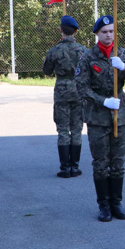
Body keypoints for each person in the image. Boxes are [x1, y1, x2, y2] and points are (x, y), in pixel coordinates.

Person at [75, 15, 125, 222]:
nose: (108, 35)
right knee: (100, 163)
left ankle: (116, 202)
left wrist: (124, 67)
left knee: (118, 162)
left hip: (119, 116)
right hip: (97, 117)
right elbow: (80, 87)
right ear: (97, 34)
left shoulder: (122, 54)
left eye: (112, 31)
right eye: (104, 32)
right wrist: (102, 101)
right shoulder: (87, 57)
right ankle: (103, 204)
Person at [42, 15, 87, 178]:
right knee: (76, 128)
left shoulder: (54, 51)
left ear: (61, 30)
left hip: (61, 90)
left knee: (62, 129)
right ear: (75, 31)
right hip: (78, 90)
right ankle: (75, 166)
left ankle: (64, 167)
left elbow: (46, 70)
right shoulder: (83, 51)